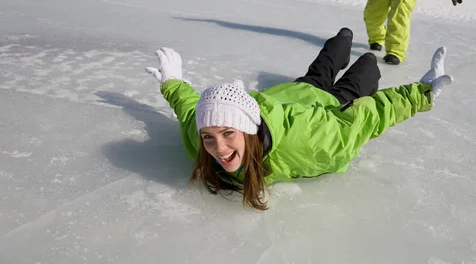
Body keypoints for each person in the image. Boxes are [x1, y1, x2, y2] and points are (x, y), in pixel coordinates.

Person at [145, 28, 453, 210]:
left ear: (249, 129)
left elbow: (367, 117)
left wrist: (421, 93)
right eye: (209, 136)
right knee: (327, 71)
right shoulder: (198, 139)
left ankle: (348, 41)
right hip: (292, 94)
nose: (218, 148)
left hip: (330, 105)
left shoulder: (311, 142)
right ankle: (355, 49)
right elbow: (189, 108)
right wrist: (171, 80)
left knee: (362, 72)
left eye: (228, 133)